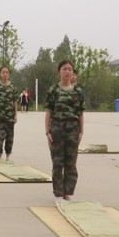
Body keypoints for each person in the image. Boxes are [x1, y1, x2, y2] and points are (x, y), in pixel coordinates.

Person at [45, 60, 85, 202]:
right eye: (64, 69)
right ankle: (58, 193)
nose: (67, 72)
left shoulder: (78, 91)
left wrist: (81, 131)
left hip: (73, 128)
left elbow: (80, 112)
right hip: (57, 128)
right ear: (59, 72)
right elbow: (49, 111)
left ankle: (68, 192)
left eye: (70, 69)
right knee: (57, 162)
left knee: (71, 162)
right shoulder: (53, 90)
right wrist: (47, 131)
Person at [0, 66, 19, 160]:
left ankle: (8, 155)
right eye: (3, 72)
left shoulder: (13, 87)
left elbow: (15, 101)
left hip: (10, 117)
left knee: (10, 138)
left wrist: (16, 114)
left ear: (9, 74)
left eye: (7, 72)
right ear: (0, 73)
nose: (5, 74)